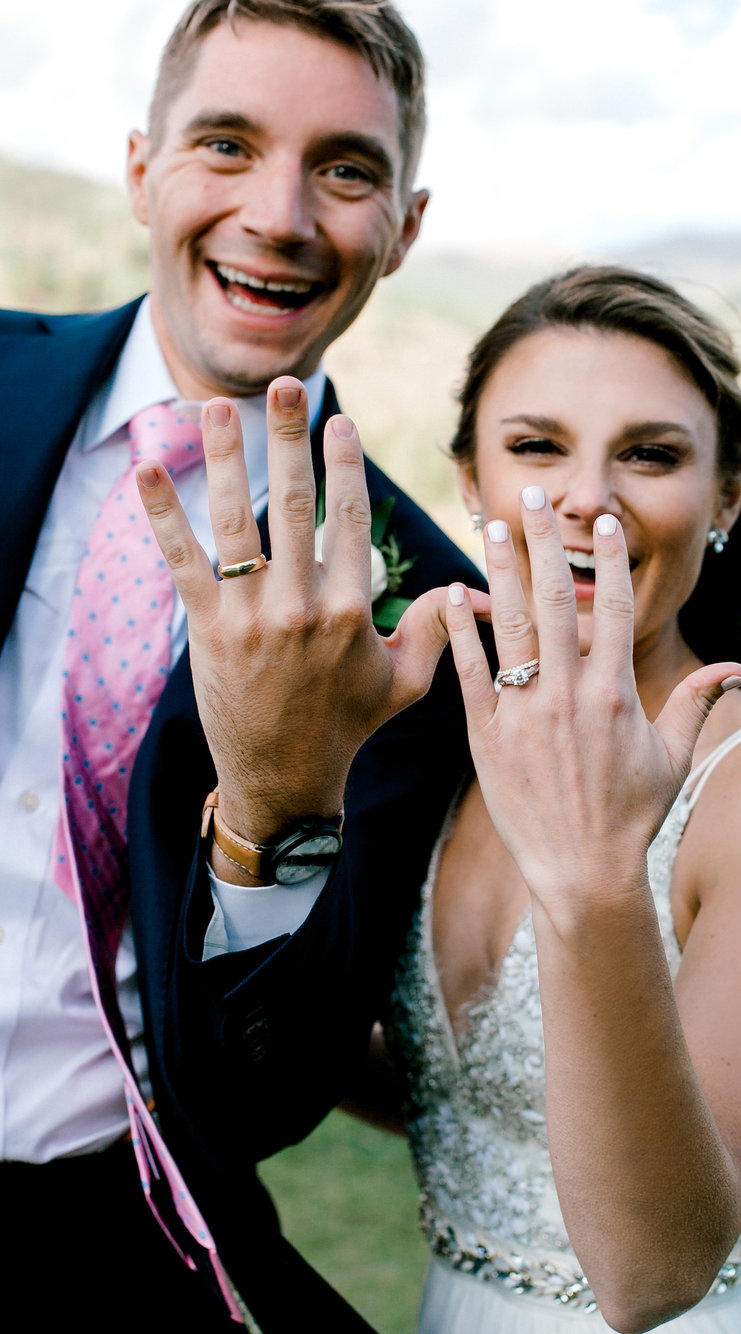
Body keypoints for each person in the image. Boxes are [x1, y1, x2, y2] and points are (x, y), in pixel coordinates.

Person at [0, 2, 485, 1329]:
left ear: (406, 225)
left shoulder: (433, 618)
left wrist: (273, 806)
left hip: (108, 1241)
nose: (281, 215)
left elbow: (272, 1094)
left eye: (345, 168)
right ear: (143, 168)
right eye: (226, 145)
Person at [377, 266, 741, 1332]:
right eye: (535, 446)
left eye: (648, 454)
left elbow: (655, 1270)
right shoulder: (435, 747)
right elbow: (455, 1101)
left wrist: (593, 872)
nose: (586, 497)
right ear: (468, 477)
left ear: (725, 496)